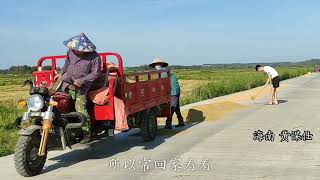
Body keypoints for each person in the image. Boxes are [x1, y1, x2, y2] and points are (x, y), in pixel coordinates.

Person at [55, 33, 101, 143]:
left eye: (76, 49)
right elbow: (66, 64)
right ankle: (59, 130)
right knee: (57, 104)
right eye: (73, 48)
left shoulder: (95, 57)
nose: (74, 50)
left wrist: (81, 81)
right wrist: (61, 74)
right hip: (66, 83)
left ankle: (86, 133)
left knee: (80, 107)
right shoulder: (70, 52)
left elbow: (95, 74)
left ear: (84, 49)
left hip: (82, 87)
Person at [149, 58, 185, 129]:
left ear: (161, 64)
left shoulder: (164, 72)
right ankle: (181, 121)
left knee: (172, 107)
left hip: (173, 91)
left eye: (157, 64)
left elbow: (161, 83)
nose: (156, 66)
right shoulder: (162, 71)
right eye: (155, 65)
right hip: (174, 90)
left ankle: (168, 123)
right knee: (176, 107)